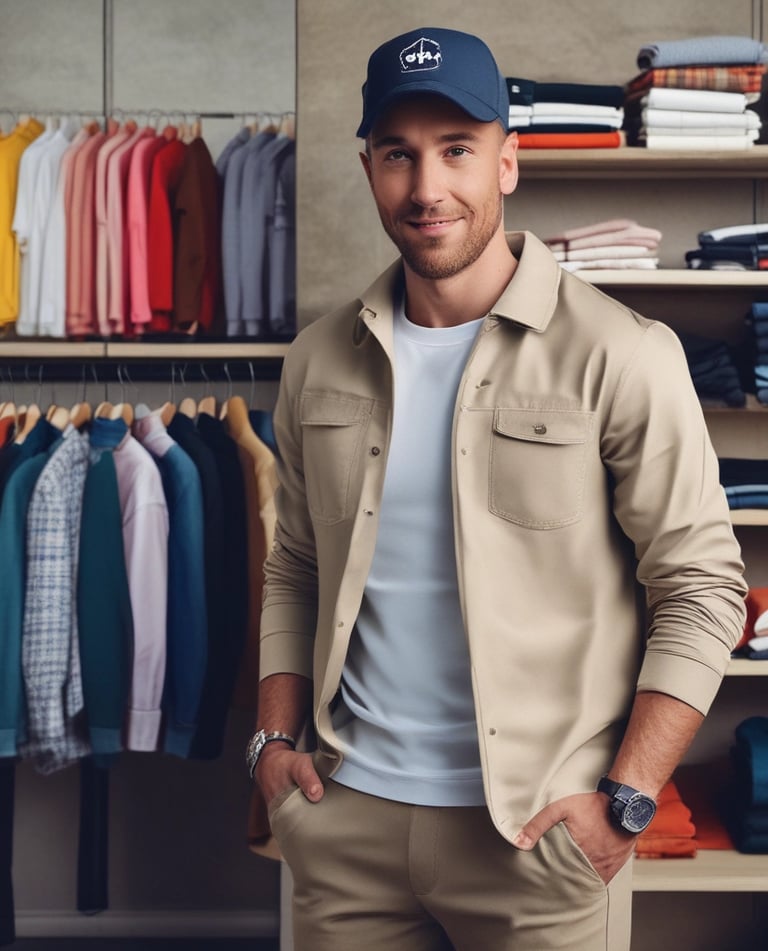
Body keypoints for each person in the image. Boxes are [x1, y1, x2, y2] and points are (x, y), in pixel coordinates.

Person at [249, 25, 748, 951]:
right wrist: (272, 746)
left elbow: (703, 588)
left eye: (457, 151)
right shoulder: (316, 358)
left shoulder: (622, 353)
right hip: (346, 820)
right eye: (399, 154)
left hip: (538, 839)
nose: (427, 188)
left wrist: (625, 802)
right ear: (369, 169)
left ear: (508, 163)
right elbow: (294, 565)